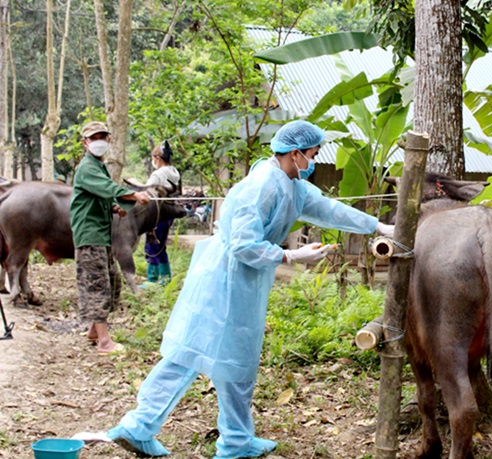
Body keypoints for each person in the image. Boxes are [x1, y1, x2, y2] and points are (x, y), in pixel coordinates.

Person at [107, 120, 395, 458]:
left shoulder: (290, 183)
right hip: (227, 278)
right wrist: (290, 254)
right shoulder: (262, 184)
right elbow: (243, 244)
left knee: (220, 358)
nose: (314, 161)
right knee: (205, 355)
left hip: (242, 280)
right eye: (313, 154)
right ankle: (205, 436)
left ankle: (211, 435)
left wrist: (378, 225)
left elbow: (328, 209)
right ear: (295, 153)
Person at [71, 121, 152, 355]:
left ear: (108, 140)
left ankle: (95, 331)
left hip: (101, 234)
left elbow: (99, 195)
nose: (98, 141)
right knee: (98, 284)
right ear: (85, 143)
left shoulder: (98, 166)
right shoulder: (86, 167)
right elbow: (106, 187)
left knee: (112, 280)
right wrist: (132, 193)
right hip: (90, 234)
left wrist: (114, 207)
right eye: (93, 137)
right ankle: (104, 342)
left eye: (102, 136)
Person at [142, 140, 181, 286]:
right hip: (169, 212)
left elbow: (147, 193)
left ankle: (153, 278)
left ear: (157, 158)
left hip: (156, 213)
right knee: (161, 244)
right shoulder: (174, 172)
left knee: (152, 244)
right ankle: (166, 277)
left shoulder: (158, 174)